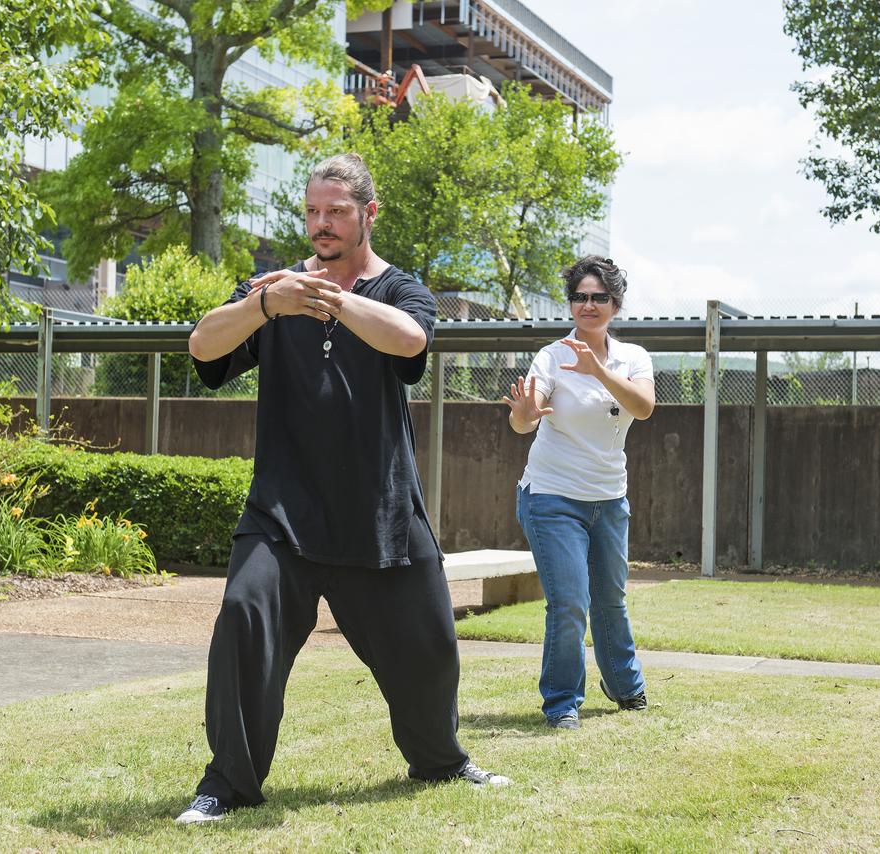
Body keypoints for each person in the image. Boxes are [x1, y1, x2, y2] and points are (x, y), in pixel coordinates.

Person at [177, 153, 509, 825]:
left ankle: (440, 760)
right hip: (283, 513)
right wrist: (265, 303)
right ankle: (228, 783)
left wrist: (334, 300)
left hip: (379, 509)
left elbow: (411, 341)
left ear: (368, 214)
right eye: (312, 212)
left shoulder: (398, 290)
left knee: (431, 644)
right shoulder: (273, 292)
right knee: (244, 616)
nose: (321, 225)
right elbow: (202, 347)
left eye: (336, 212)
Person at [502, 255, 656, 730]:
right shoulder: (551, 356)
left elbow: (644, 407)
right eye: (579, 297)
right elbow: (523, 419)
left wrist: (599, 372)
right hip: (551, 497)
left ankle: (625, 686)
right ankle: (562, 701)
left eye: (598, 297)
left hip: (610, 499)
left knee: (610, 599)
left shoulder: (634, 357)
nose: (588, 305)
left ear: (615, 304)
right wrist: (525, 413)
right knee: (570, 601)